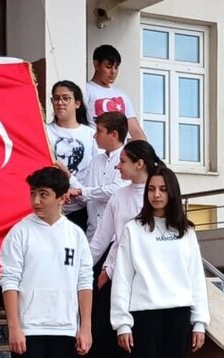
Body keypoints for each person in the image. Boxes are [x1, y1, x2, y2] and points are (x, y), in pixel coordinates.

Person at [110, 166, 209, 358]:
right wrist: (122, 323)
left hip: (178, 314)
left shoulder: (186, 231)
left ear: (172, 193)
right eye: (152, 189)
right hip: (144, 314)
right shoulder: (134, 229)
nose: (156, 195)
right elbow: (123, 277)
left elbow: (196, 278)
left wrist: (200, 321)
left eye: (163, 189)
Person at [0, 167, 93, 358]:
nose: (36, 201)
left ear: (62, 198)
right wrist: (14, 326)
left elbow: (84, 281)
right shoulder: (20, 232)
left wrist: (85, 326)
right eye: (33, 194)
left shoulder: (75, 235)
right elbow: (9, 281)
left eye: (44, 195)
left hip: (63, 327)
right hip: (30, 328)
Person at [82, 140, 160, 358]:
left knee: (142, 336)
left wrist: (111, 268)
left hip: (145, 277)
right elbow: (103, 238)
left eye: (123, 161)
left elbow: (145, 242)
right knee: (100, 322)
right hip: (114, 272)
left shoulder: (155, 196)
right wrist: (86, 268)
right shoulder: (119, 195)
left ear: (140, 164)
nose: (118, 166)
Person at [71, 111, 129, 243]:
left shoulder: (129, 160)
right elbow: (85, 196)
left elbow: (115, 191)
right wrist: (68, 177)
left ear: (114, 134)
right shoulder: (95, 161)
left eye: (99, 131)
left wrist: (82, 192)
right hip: (92, 236)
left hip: (116, 239)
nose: (94, 135)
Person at [45, 80, 96, 232]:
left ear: (77, 103)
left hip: (82, 209)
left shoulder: (91, 134)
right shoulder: (44, 131)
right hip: (50, 207)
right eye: (56, 98)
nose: (60, 102)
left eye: (66, 98)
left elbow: (99, 174)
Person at [85, 44, 146, 140]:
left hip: (119, 148)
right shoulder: (86, 90)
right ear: (96, 65)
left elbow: (135, 130)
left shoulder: (121, 95)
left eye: (116, 67)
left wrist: (145, 149)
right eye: (108, 67)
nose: (113, 71)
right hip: (96, 147)